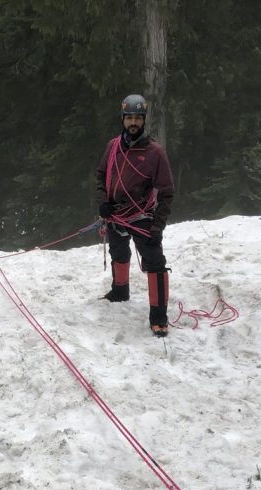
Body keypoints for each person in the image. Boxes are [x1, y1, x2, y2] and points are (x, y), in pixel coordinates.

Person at [95, 94, 175, 337]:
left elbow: (167, 192)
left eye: (137, 118)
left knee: (155, 263)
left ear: (143, 121)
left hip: (142, 216)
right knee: (118, 252)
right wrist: (103, 204)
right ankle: (120, 291)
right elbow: (101, 177)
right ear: (123, 119)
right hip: (115, 215)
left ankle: (159, 317)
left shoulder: (154, 153)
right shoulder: (113, 147)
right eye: (129, 117)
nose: (132, 123)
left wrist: (157, 227)